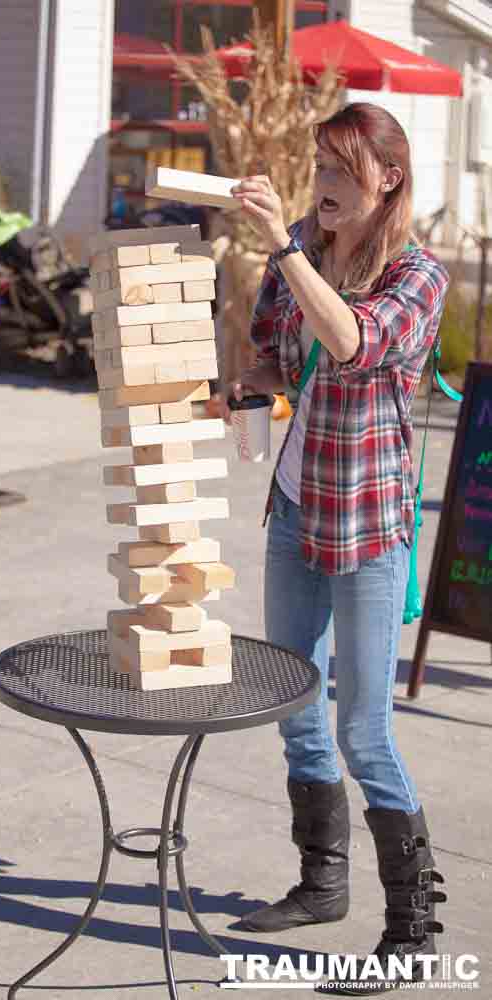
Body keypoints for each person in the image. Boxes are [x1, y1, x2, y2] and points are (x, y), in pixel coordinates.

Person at [224, 103, 449, 994]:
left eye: (340, 167)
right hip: (295, 512)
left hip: (366, 528)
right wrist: (249, 383)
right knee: (293, 704)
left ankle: (412, 932)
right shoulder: (301, 264)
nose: (321, 179)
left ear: (385, 179)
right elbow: (283, 356)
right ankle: (321, 882)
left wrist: (280, 247)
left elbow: (354, 344)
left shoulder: (418, 275)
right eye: (316, 159)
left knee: (363, 725)